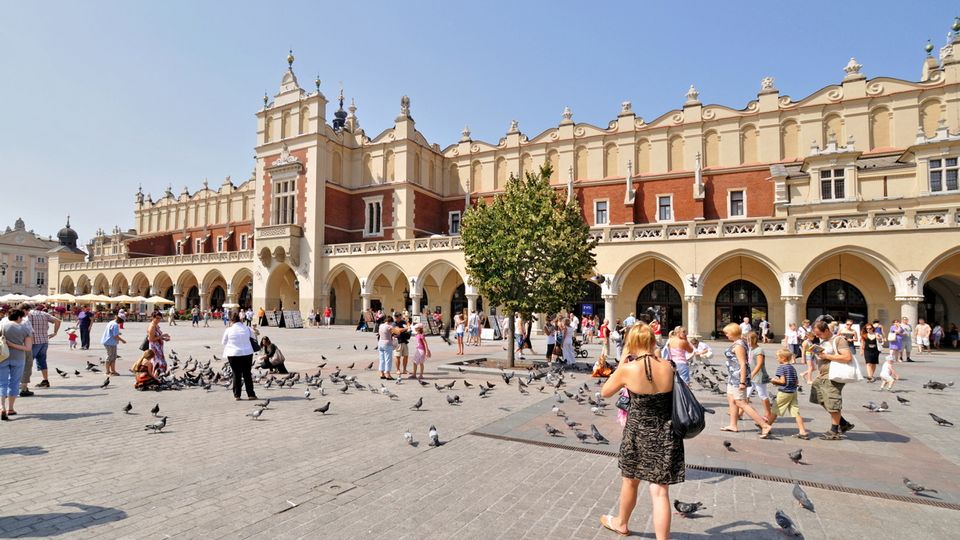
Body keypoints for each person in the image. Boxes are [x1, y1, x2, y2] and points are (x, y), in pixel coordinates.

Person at [599, 323, 683, 539]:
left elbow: (605, 392)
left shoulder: (629, 369)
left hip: (638, 432)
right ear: (653, 341)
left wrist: (621, 363)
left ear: (632, 343)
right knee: (660, 490)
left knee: (630, 480)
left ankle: (622, 523)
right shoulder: (669, 366)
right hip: (665, 432)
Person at [720, 323, 773, 437]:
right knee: (731, 399)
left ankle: (764, 425)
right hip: (732, 377)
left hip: (738, 377)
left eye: (727, 333)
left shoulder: (739, 345)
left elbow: (743, 364)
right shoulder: (737, 343)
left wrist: (742, 382)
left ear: (733, 332)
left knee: (741, 402)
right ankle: (733, 425)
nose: (726, 335)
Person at [809, 320, 855, 440]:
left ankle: (834, 431)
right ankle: (843, 423)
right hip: (823, 375)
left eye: (819, 334)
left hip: (834, 375)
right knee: (819, 397)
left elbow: (847, 357)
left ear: (827, 330)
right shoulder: (823, 341)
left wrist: (827, 356)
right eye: (816, 334)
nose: (817, 336)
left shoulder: (839, 340)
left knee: (833, 401)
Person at [0, 308, 33, 421]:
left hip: (3, 357)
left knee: (2, 383)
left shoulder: (2, 326)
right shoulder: (24, 328)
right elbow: (28, 348)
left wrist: (7, 343)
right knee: (14, 383)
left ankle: (2, 407)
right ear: (19, 317)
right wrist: (13, 345)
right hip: (18, 358)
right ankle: (11, 408)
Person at [768, 349, 809, 439]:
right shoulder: (792, 368)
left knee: (775, 410)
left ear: (783, 358)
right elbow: (796, 381)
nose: (776, 359)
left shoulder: (781, 367)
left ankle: (766, 427)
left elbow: (782, 381)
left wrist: (773, 380)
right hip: (793, 392)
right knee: (796, 412)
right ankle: (802, 431)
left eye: (777, 357)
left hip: (784, 392)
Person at [24, 304, 61, 393]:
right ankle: (45, 380)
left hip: (34, 342)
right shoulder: (44, 314)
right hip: (44, 341)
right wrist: (55, 332)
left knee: (27, 363)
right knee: (42, 360)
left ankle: (24, 384)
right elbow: (58, 321)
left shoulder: (29, 314)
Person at [223, 311, 257, 400]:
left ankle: (237, 395)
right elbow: (254, 338)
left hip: (233, 354)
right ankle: (251, 394)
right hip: (247, 353)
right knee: (247, 374)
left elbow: (223, 342)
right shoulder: (247, 328)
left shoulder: (229, 330)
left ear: (231, 320)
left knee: (236, 374)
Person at [745, 331, 773, 424]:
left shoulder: (759, 350)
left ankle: (768, 413)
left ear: (753, 340)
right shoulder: (750, 349)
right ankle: (740, 413)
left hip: (759, 376)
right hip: (751, 376)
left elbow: (760, 364)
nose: (747, 342)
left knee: (762, 395)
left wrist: (753, 373)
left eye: (748, 340)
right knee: (746, 395)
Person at [377, 315, 398, 380]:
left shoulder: (381, 325)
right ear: (391, 321)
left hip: (380, 343)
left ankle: (382, 373)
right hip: (387, 344)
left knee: (381, 359)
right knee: (388, 359)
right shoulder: (389, 326)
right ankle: (388, 374)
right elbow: (397, 332)